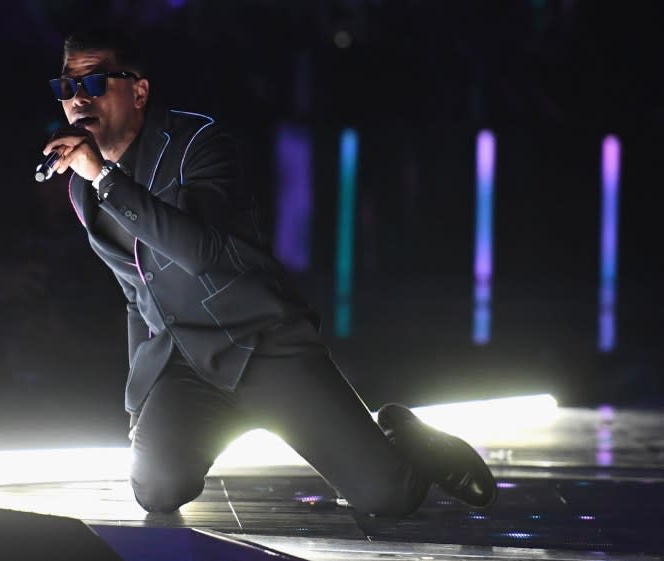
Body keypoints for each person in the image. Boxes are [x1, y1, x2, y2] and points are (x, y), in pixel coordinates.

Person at [40, 28, 497, 518]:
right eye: (67, 88)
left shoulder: (198, 142)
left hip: (262, 344)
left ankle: (400, 431)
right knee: (156, 490)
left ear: (138, 90)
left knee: (390, 498)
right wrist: (139, 403)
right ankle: (207, 422)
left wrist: (106, 178)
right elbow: (136, 293)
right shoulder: (83, 189)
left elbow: (202, 253)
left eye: (93, 84)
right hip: (186, 364)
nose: (77, 100)